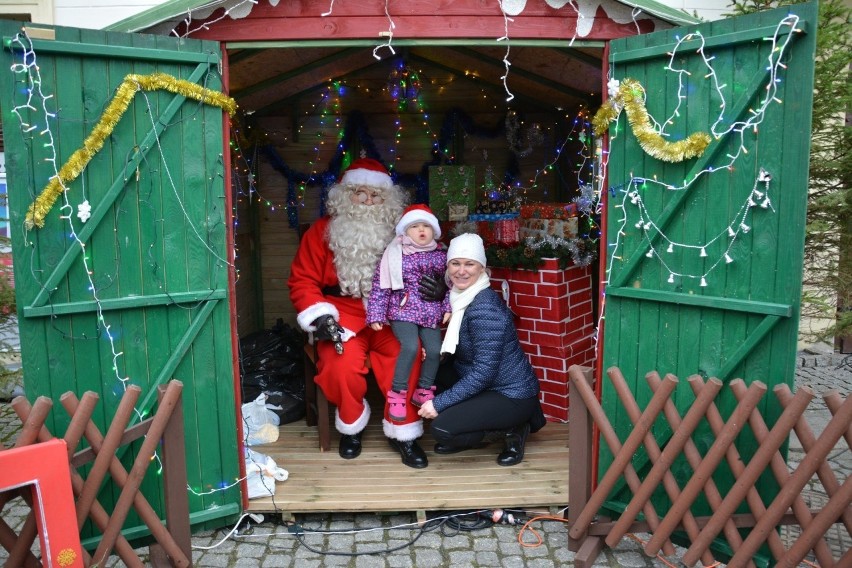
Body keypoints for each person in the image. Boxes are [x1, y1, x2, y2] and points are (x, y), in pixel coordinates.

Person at [288, 158, 445, 469]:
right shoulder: (321, 232)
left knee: (411, 355)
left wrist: (441, 287)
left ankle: (404, 432)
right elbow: (302, 280)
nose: (369, 201)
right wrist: (320, 316)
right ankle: (351, 423)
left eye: (377, 196)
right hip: (342, 314)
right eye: (361, 193)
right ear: (346, 195)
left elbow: (439, 258)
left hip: (395, 314)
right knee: (338, 366)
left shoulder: (405, 234)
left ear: (388, 201)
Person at [417, 233, 545, 466]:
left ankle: (514, 428)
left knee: (442, 430)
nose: (461, 271)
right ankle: (479, 417)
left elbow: (484, 372)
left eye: (469, 264)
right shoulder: (460, 297)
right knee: (429, 373)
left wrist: (439, 403)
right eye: (455, 263)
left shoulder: (484, 309)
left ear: (482, 269)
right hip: (482, 380)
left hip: (510, 393)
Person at [366, 204, 451, 422]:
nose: (421, 230)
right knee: (411, 346)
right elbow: (381, 285)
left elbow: (450, 285)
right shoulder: (395, 253)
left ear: (434, 231)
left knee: (435, 350)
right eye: (415, 226)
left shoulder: (441, 254)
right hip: (402, 309)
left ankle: (423, 390)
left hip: (430, 311)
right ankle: (398, 393)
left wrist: (447, 306)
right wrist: (376, 314)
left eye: (426, 226)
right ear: (405, 231)